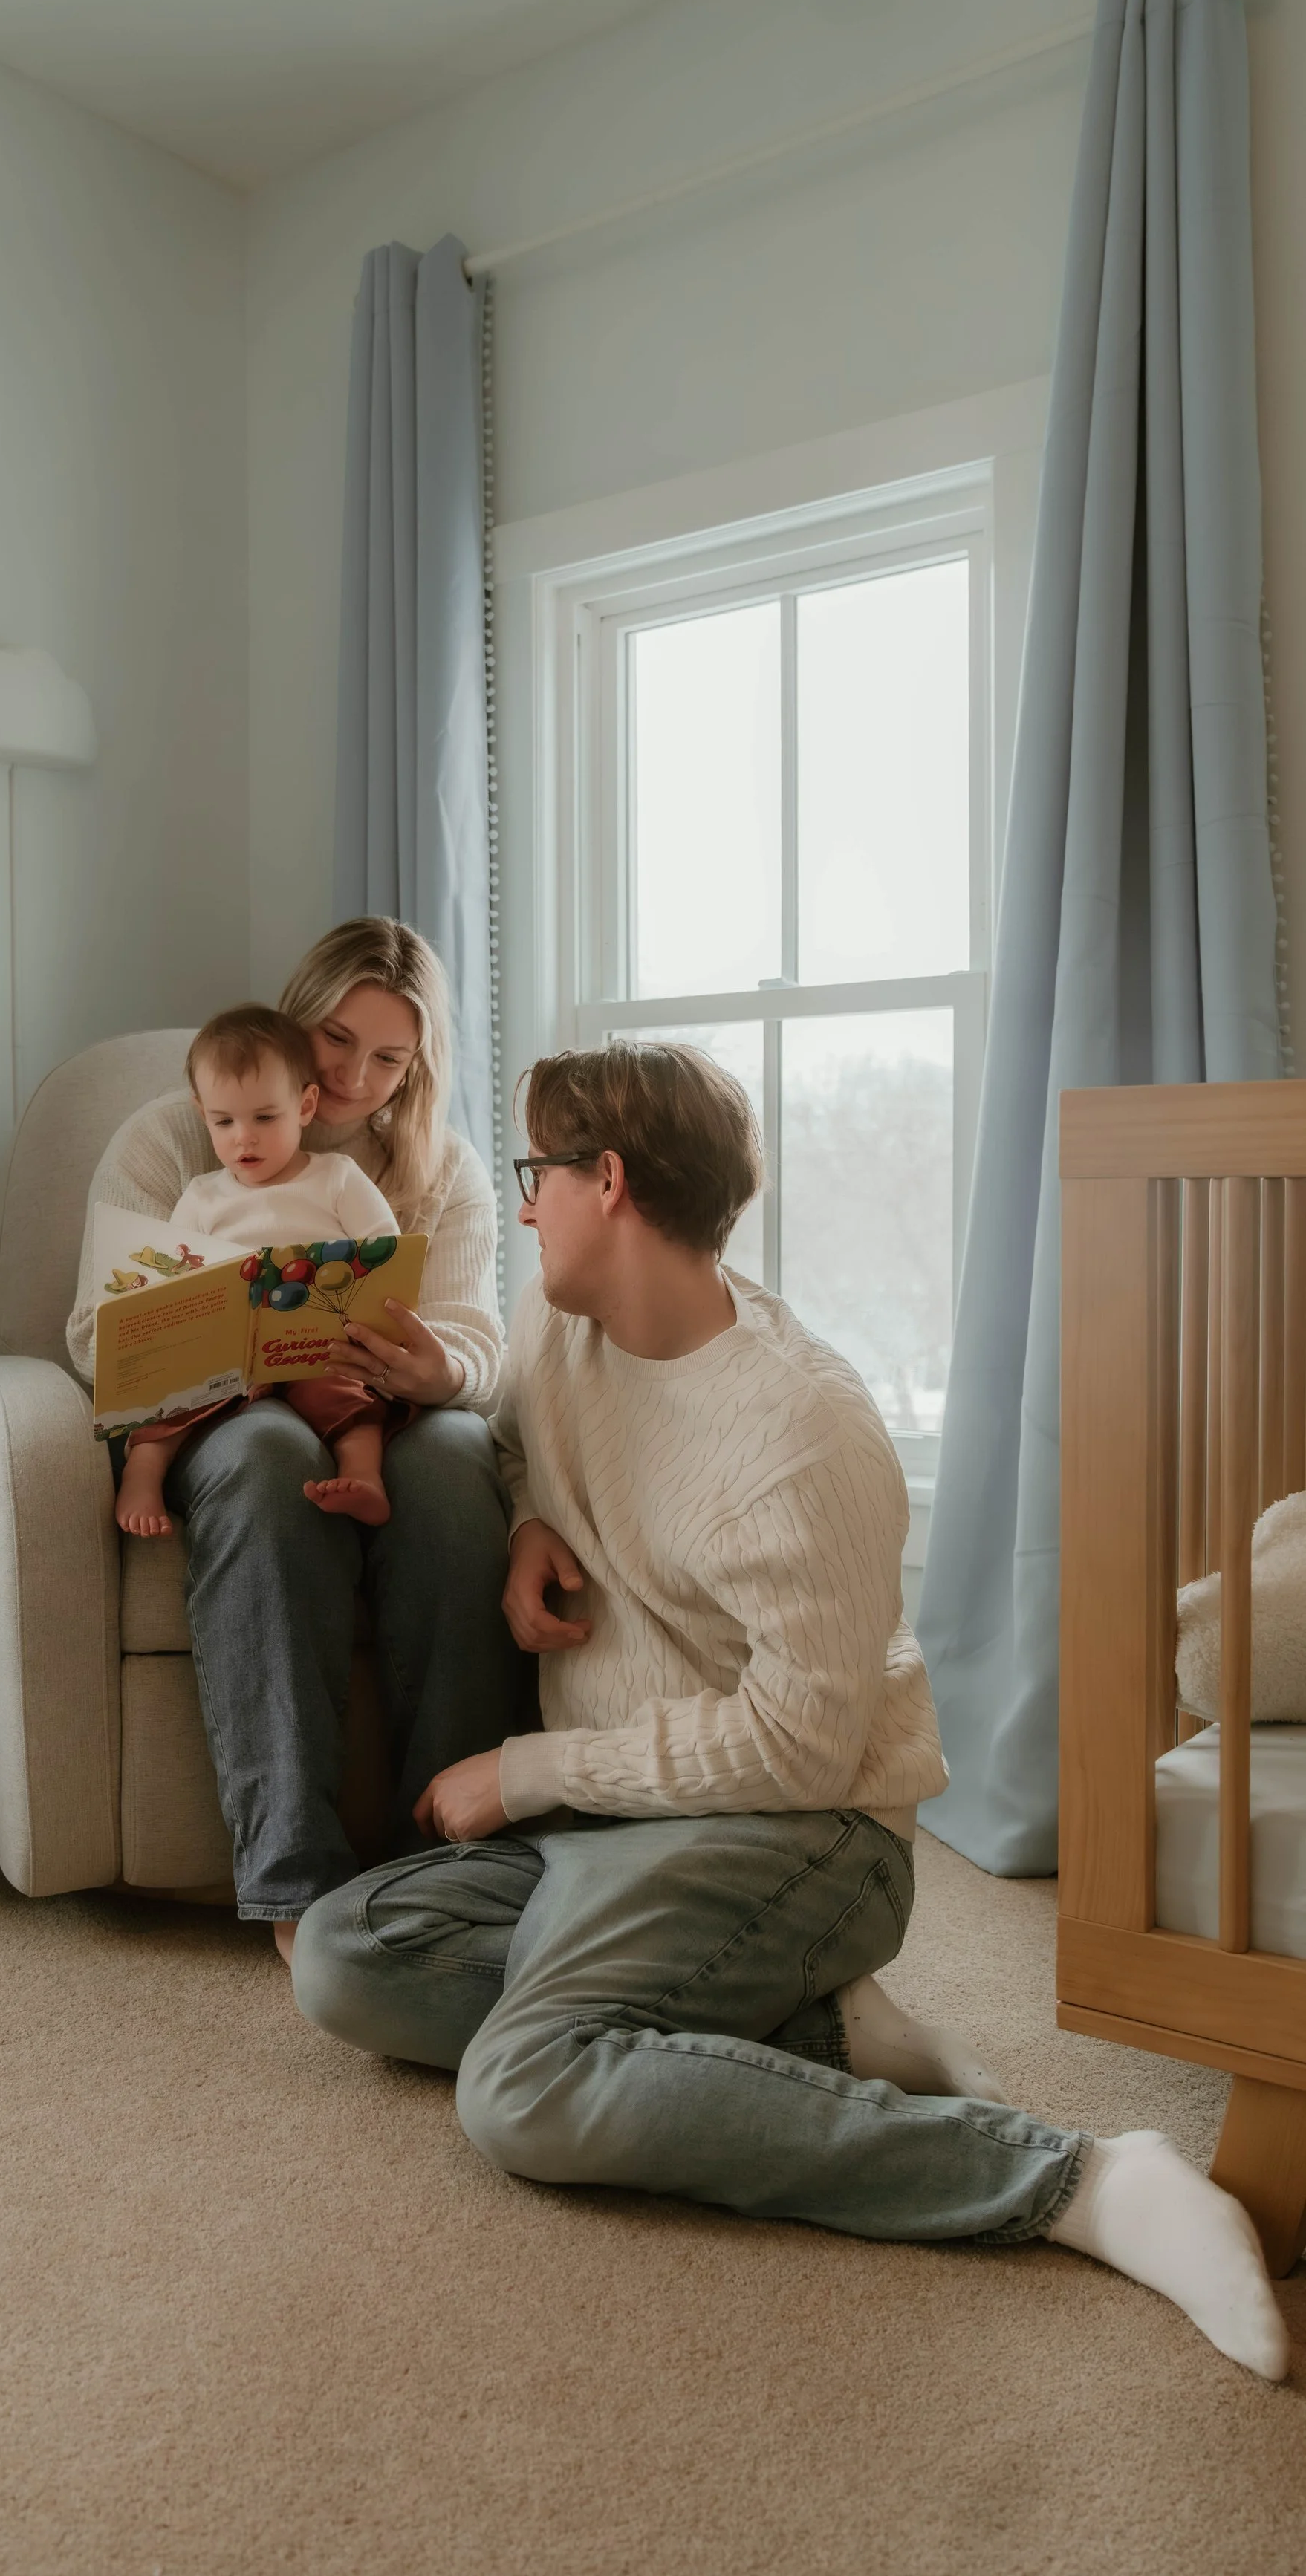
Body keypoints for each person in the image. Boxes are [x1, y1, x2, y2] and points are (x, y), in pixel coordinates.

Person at [293, 1041, 1288, 2382]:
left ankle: (1085, 2180)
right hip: (621, 1825)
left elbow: (799, 1744)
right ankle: (816, 2031)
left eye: (539, 1175)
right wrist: (527, 1518)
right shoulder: (558, 1321)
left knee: (524, 2086)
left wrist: (528, 1769)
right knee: (348, 1953)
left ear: (611, 1180)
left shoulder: (804, 1433)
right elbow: (526, 1425)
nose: (521, 1205)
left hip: (798, 1833)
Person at [67, 917, 520, 1959]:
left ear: (421, 1065)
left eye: (391, 1057)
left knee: (454, 1468)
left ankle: (452, 1861)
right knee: (271, 1458)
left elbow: (478, 1342)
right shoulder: (175, 1138)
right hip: (222, 1412)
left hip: (371, 1399)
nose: (359, 1076)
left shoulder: (439, 1171)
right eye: (336, 1039)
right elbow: (94, 1337)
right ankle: (292, 1883)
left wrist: (438, 1369)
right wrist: (191, 1337)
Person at [114, 1005, 406, 1537]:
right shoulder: (202, 1196)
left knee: (351, 1403)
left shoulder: (337, 1178)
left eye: (264, 1118)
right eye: (224, 1122)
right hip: (228, 1356)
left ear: (305, 1106)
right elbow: (168, 1281)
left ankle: (363, 1477)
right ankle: (143, 1472)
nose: (242, 1138)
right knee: (173, 1396)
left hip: (320, 1346)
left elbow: (388, 1254)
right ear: (204, 1115)